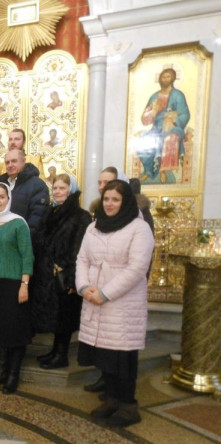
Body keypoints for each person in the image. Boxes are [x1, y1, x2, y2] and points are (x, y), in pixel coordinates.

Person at [76, 179, 155, 427]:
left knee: (122, 357)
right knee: (104, 355)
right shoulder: (94, 227)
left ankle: (128, 406)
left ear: (126, 202)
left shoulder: (139, 229)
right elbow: (82, 259)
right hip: (94, 298)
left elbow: (137, 268)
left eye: (116, 200)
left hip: (122, 304)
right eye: (107, 199)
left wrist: (105, 293)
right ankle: (111, 400)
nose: (110, 204)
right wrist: (84, 286)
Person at [31, 174, 91, 369]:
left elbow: (80, 250)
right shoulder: (51, 212)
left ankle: (62, 355)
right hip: (47, 273)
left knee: (65, 316)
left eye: (62, 188)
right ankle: (55, 351)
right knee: (55, 316)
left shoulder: (81, 216)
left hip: (65, 275)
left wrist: (73, 278)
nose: (57, 192)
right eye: (55, 188)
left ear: (71, 190)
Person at [0, 183, 33, 394]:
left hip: (14, 284)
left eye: (2, 196)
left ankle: (12, 376)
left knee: (15, 331)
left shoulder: (18, 223)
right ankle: (1, 372)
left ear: (9, 199)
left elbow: (27, 255)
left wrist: (24, 284)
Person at [137, 68, 190, 184]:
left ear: (173, 79)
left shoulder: (178, 95)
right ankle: (148, 171)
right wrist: (154, 111)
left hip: (173, 127)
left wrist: (174, 119)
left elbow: (185, 114)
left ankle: (163, 170)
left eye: (168, 77)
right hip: (156, 129)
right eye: (163, 77)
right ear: (160, 79)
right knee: (143, 141)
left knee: (170, 138)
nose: (165, 79)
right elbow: (144, 120)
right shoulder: (154, 97)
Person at [0, 148, 49, 237]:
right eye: (7, 162)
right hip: (2, 238)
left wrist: (22, 237)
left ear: (23, 161)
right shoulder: (1, 185)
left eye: (14, 161)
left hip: (24, 239)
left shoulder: (37, 185)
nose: (10, 165)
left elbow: (38, 216)